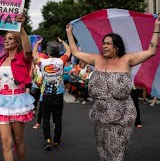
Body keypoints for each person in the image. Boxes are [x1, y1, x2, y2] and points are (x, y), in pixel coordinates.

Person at [66, 17, 159, 160]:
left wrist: (156, 27)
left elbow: (151, 51)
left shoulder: (127, 60)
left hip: (122, 117)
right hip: (99, 116)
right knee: (103, 151)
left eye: (108, 44)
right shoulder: (96, 59)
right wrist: (69, 33)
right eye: (104, 43)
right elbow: (76, 53)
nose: (104, 46)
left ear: (117, 47)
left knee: (116, 151)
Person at [0, 13, 34, 161]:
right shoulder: (1, 61)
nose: (6, 41)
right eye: (5, 39)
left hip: (17, 100)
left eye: (10, 38)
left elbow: (28, 49)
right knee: (5, 142)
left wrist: (22, 28)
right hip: (1, 101)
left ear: (17, 41)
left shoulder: (22, 58)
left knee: (18, 139)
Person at [32, 37, 71, 150]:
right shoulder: (61, 61)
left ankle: (48, 140)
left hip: (46, 95)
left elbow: (34, 54)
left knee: (46, 119)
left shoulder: (42, 61)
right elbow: (69, 51)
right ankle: (57, 141)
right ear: (58, 52)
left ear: (48, 52)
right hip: (58, 95)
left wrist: (37, 43)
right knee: (57, 119)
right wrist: (63, 42)